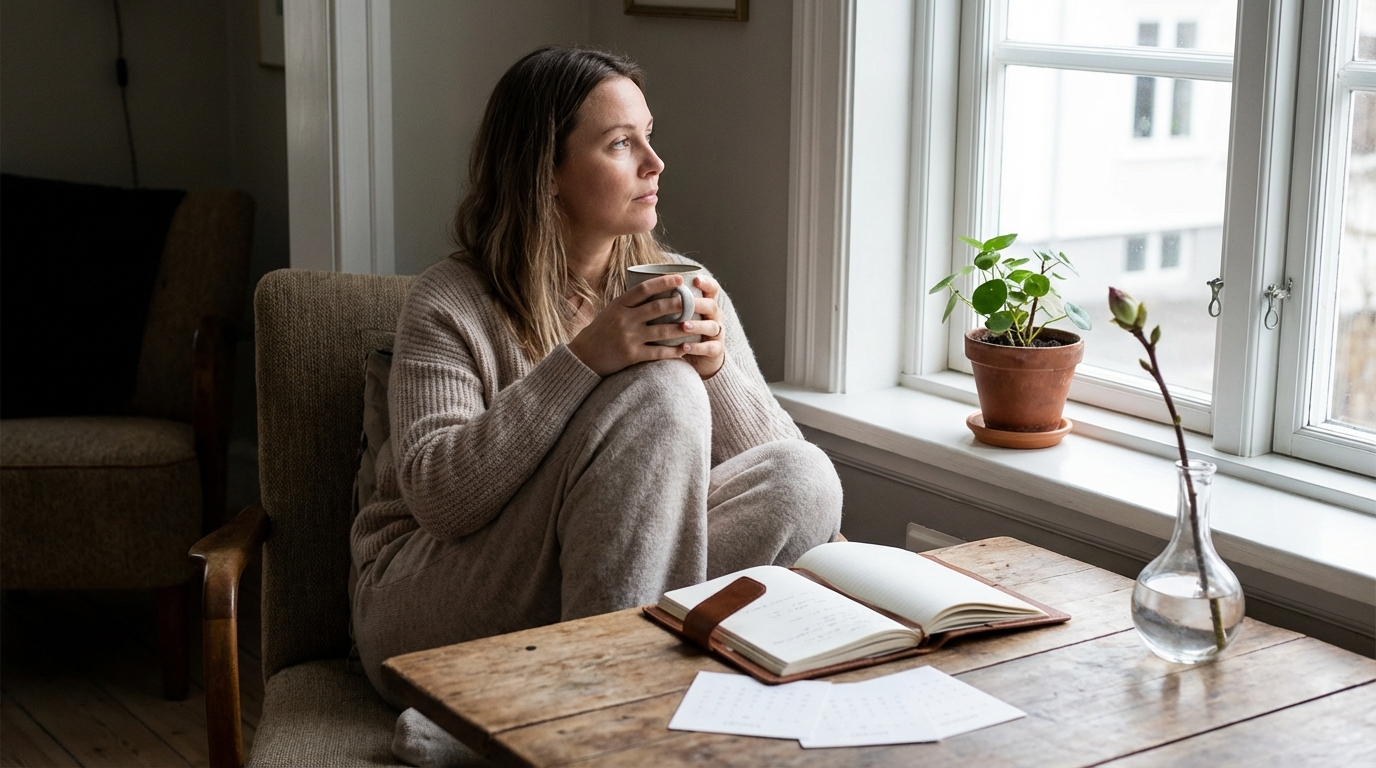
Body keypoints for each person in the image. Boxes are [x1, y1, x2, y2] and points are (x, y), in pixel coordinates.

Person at [350, 46, 843, 713]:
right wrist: (584, 359)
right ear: (545, 171)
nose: (655, 163)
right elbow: (440, 503)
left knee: (803, 477)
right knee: (659, 391)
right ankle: (610, 710)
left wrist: (715, 368)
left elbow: (773, 465)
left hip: (600, 578)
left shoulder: (680, 283)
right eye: (620, 144)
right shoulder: (451, 302)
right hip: (429, 593)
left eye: (650, 137)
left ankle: (547, 711)